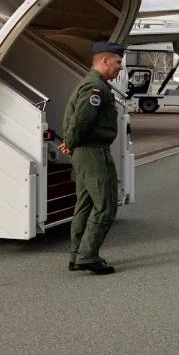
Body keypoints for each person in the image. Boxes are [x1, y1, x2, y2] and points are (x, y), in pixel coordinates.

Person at [60, 41, 125, 275]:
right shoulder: (95, 87)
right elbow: (82, 120)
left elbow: (78, 120)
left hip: (85, 150)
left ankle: (78, 255)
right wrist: (72, 141)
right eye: (118, 62)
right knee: (105, 205)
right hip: (94, 152)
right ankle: (88, 256)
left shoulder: (93, 84)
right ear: (104, 61)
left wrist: (70, 142)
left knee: (85, 205)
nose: (120, 67)